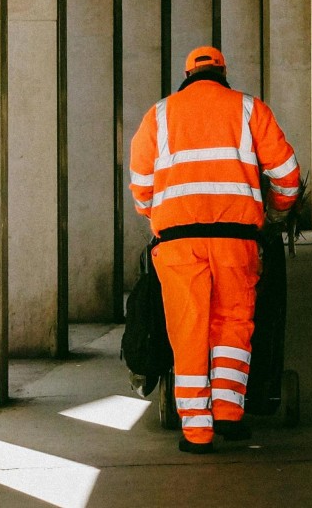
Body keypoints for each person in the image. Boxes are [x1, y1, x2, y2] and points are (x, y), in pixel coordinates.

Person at [129, 45, 301, 454]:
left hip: (177, 243)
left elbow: (140, 186)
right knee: (233, 323)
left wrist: (158, 213)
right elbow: (287, 178)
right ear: (223, 73)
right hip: (236, 239)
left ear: (186, 76)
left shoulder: (159, 116)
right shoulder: (249, 109)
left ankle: (197, 433)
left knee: (188, 330)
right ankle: (228, 412)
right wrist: (274, 211)